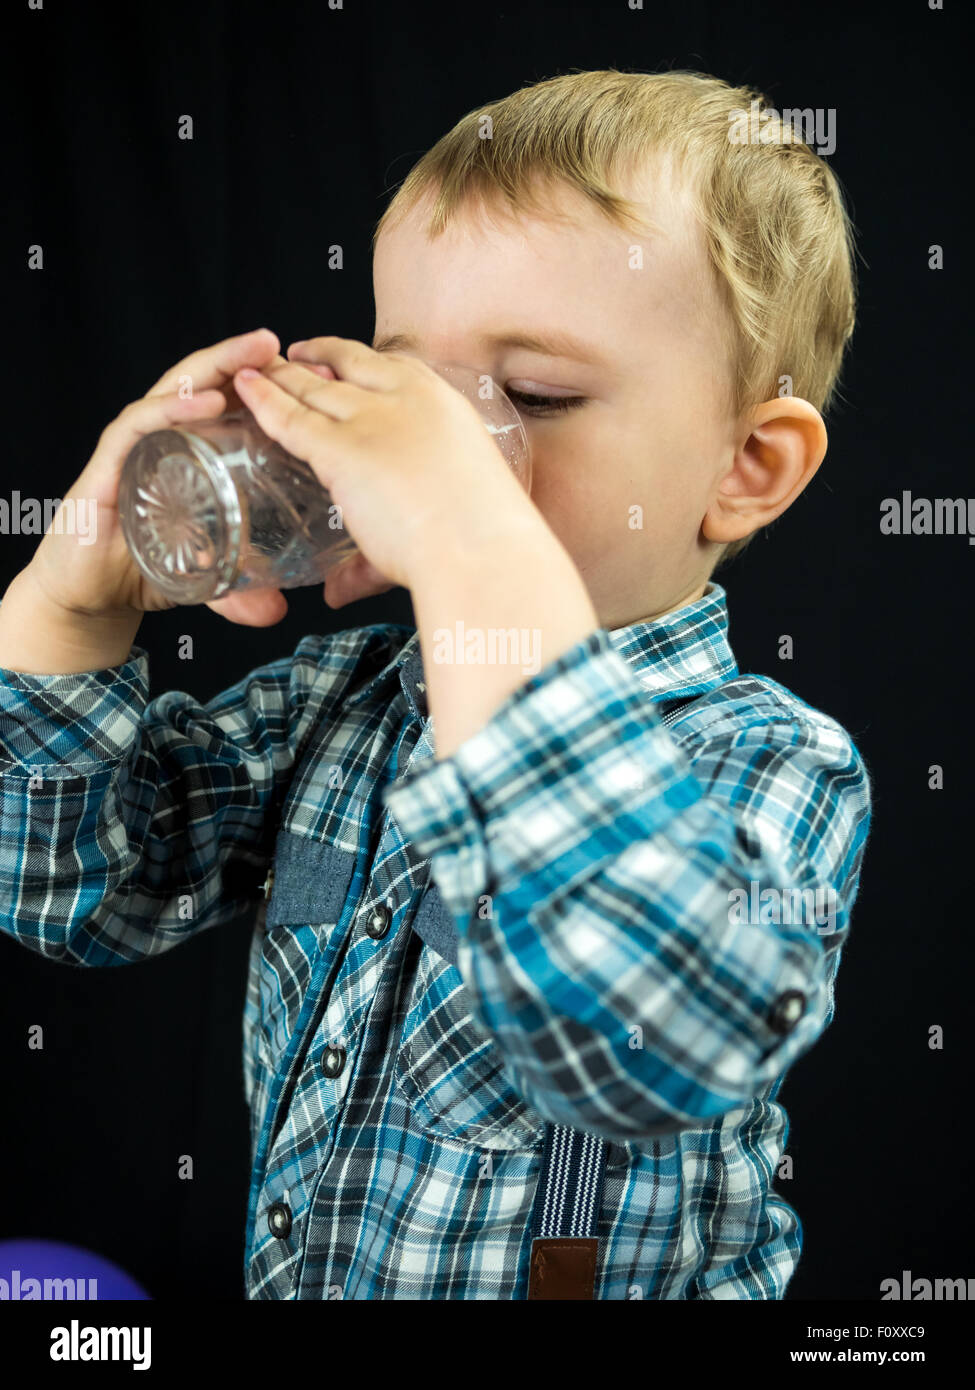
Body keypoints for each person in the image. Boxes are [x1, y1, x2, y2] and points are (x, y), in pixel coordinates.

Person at [0, 68, 872, 1299]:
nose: (448, 447)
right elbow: (75, 892)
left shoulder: (770, 763)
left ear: (746, 465)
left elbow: (650, 1035)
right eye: (408, 393)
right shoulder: (339, 706)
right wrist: (65, 609)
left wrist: (471, 544)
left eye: (532, 397)